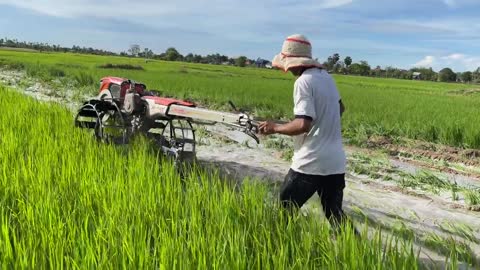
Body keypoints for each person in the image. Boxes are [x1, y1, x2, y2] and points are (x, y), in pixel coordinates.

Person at [259, 34, 352, 233]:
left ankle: (284, 248)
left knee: (285, 208)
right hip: (335, 161)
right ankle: (359, 252)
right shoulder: (326, 78)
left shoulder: (303, 82)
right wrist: (325, 124)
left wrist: (274, 128)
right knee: (334, 213)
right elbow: (340, 108)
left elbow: (302, 124)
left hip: (311, 161)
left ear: (292, 62)